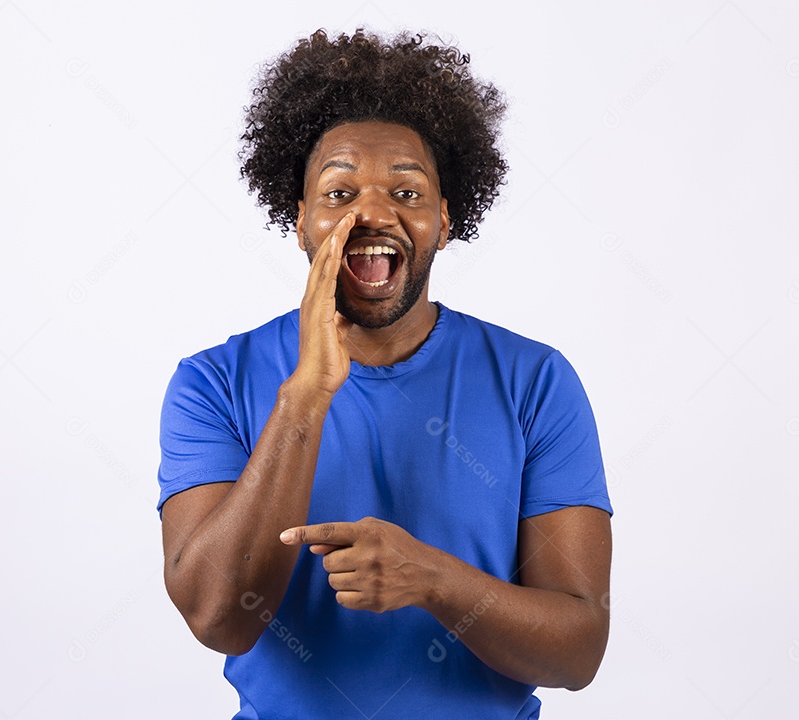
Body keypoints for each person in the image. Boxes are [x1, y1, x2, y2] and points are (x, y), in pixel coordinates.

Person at [157, 29, 613, 719]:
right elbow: (219, 618)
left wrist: (431, 578)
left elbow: (577, 654)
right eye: (340, 193)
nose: (374, 211)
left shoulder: (536, 382)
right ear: (302, 221)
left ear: (444, 219)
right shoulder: (213, 384)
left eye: (407, 189)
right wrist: (305, 396)